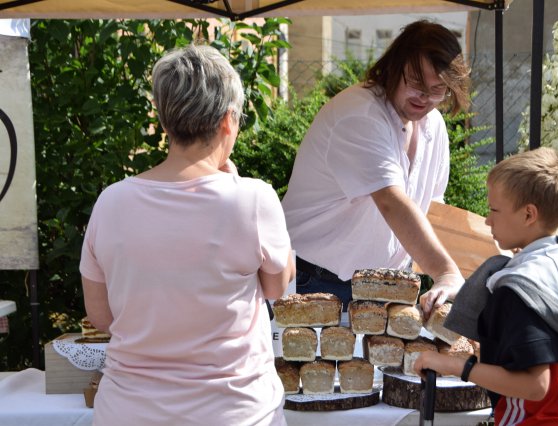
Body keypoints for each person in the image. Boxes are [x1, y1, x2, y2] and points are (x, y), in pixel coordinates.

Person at [80, 44, 295, 426]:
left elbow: (100, 315)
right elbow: (276, 287)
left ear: (165, 122)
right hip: (235, 413)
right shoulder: (252, 198)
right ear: (229, 121)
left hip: (129, 412)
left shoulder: (110, 202)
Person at [414, 147, 558, 425]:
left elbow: (535, 387)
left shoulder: (519, 288)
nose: (488, 219)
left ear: (528, 215)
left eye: (494, 210)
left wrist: (454, 365)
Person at [281, 20, 470, 316]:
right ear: (393, 69)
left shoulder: (434, 125)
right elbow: (392, 203)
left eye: (438, 90)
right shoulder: (360, 115)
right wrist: (446, 271)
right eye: (417, 84)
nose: (425, 98)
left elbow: (432, 209)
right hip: (315, 280)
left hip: (384, 286)